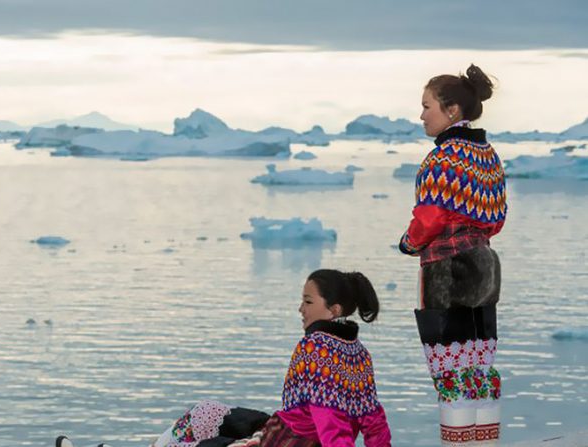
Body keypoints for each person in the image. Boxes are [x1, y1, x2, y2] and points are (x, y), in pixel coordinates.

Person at [57, 269, 392, 447]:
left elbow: (329, 418)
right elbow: (372, 418)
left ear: (332, 310)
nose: (300, 309)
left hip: (283, 442)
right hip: (280, 429)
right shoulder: (357, 353)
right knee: (205, 411)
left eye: (307, 301)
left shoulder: (316, 347)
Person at [398, 64, 507, 446]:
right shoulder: (488, 155)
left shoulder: (441, 159)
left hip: (447, 268)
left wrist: (409, 243)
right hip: (485, 264)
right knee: (478, 364)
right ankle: (484, 442)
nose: (422, 115)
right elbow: (496, 220)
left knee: (449, 368)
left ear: (452, 112)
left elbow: (428, 218)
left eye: (427, 106)